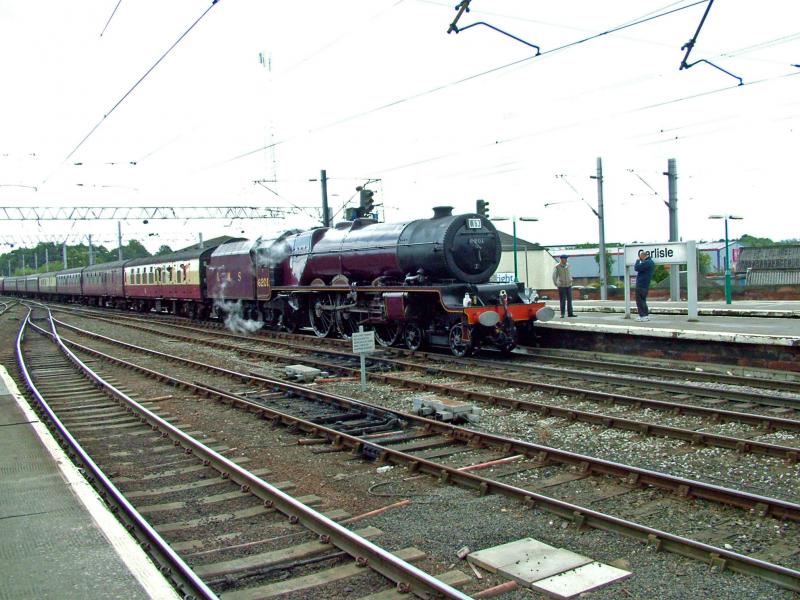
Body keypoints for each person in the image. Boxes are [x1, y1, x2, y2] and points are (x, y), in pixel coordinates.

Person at [634, 250, 655, 321]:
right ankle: (646, 315)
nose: (640, 259)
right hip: (646, 285)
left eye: (640, 258)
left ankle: (642, 316)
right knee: (643, 300)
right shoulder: (651, 262)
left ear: (642, 256)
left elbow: (636, 268)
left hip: (641, 284)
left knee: (639, 301)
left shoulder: (646, 263)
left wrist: (637, 261)